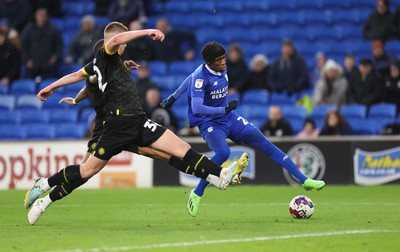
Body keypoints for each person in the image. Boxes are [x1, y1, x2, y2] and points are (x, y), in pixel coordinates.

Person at [27, 24, 248, 224]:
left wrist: (55, 88)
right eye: (121, 41)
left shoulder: (114, 63)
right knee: (86, 171)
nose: (123, 45)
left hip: (137, 120)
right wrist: (147, 31)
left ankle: (219, 175)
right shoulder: (105, 55)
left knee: (179, 151)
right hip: (113, 126)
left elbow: (78, 76)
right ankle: (44, 187)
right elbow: (92, 71)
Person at [161, 41, 325, 217]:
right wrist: (222, 109)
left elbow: (189, 77)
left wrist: (173, 96)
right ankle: (197, 192)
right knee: (223, 153)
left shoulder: (216, 69)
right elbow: (197, 107)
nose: (224, 62)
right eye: (219, 60)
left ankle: (304, 180)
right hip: (209, 123)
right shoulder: (202, 78)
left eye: (224, 58)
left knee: (265, 144)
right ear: (209, 62)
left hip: (229, 118)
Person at [20, 8, 62, 79]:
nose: (42, 18)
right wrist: (26, 60)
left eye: (44, 16)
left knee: (48, 84)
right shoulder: (28, 29)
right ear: (36, 17)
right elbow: (23, 45)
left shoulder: (53, 29)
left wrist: (55, 57)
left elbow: (59, 44)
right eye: (40, 16)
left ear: (46, 17)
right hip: (32, 64)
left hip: (48, 64)